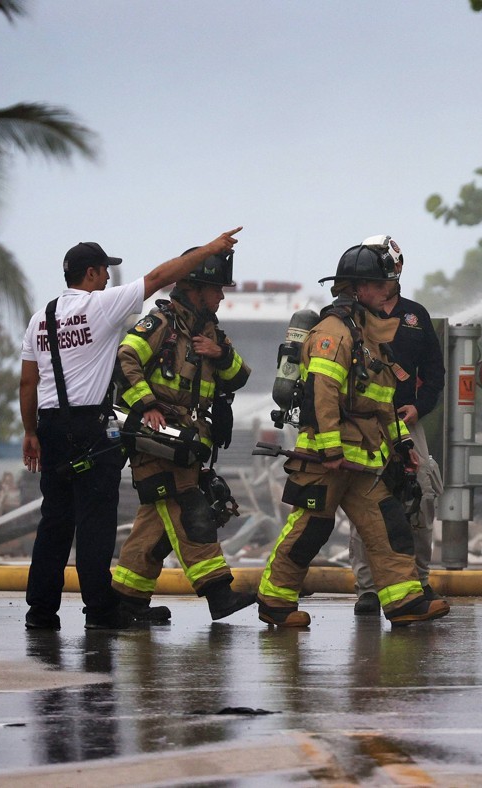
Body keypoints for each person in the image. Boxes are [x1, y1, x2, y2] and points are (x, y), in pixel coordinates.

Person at [19, 227, 242, 631]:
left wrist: (30, 432)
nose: (108, 278)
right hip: (89, 427)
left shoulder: (42, 318)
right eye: (105, 271)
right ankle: (102, 613)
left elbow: (28, 383)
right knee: (94, 524)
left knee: (54, 523)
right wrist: (208, 249)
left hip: (49, 426)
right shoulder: (101, 307)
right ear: (91, 273)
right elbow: (159, 278)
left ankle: (41, 613)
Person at [256, 242, 451, 628]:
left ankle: (404, 601)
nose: (389, 293)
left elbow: (382, 400)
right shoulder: (333, 333)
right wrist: (330, 451)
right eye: (382, 286)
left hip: (363, 459)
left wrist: (403, 444)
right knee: (310, 530)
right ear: (360, 288)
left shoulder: (369, 334)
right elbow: (322, 394)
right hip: (328, 460)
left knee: (387, 524)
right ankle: (274, 602)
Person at [111, 248, 254, 622]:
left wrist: (219, 354)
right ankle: (219, 595)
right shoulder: (160, 324)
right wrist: (147, 406)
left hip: (188, 445)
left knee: (154, 528)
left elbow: (240, 376)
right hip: (158, 441)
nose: (222, 297)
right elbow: (125, 358)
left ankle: (127, 604)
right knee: (192, 513)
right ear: (195, 288)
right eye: (217, 289)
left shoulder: (209, 333)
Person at [346, 235, 446, 616]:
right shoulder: (350, 318)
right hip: (365, 425)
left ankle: (419, 582)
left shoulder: (415, 317)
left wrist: (417, 410)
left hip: (405, 423)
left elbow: (435, 376)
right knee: (366, 502)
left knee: (422, 498)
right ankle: (368, 589)